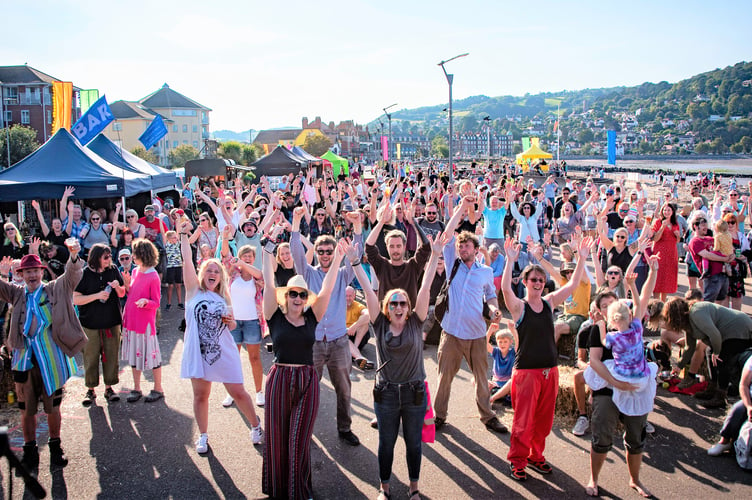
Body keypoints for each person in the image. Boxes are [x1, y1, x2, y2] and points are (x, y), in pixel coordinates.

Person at [350, 233, 441, 500]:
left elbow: (424, 287)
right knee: (386, 444)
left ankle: (414, 488)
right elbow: (368, 290)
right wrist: (356, 263)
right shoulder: (379, 323)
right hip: (387, 394)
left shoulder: (416, 320)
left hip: (414, 394)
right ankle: (385, 488)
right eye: (394, 303)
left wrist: (435, 254)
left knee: (414, 444)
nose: (399, 306)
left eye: (403, 303)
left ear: (408, 306)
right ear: (386, 306)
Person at [501, 235, 592, 481]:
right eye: (534, 279)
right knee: (523, 421)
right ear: (526, 282)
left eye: (541, 280)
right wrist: (510, 261)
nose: (538, 283)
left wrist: (582, 259)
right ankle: (518, 460)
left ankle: (535, 456)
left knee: (543, 421)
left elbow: (572, 286)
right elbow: (505, 288)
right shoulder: (519, 307)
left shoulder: (550, 303)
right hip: (526, 373)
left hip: (549, 371)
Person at [261, 239, 344, 500]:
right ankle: (277, 490)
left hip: (307, 380)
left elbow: (328, 289)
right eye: (293, 293)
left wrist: (339, 258)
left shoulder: (312, 316)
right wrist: (266, 252)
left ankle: (299, 491)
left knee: (298, 440)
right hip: (279, 378)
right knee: (276, 440)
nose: (297, 298)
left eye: (302, 294)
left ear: (307, 298)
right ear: (286, 296)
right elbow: (268, 281)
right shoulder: (274, 315)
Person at [0, 239, 87, 472]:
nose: (31, 275)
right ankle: (30, 451)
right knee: (25, 409)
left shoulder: (53, 289)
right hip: (23, 361)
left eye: (35, 271)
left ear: (41, 271)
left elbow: (72, 276)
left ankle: (55, 447)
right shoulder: (17, 294)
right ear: (21, 274)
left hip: (50, 360)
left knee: (53, 407)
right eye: (27, 271)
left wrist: (74, 255)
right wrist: (1, 273)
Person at [178, 220, 263, 454]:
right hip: (199, 351)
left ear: (221, 276)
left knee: (238, 391)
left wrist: (231, 322)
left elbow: (233, 322)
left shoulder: (224, 297)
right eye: (209, 270)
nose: (213, 273)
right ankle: (203, 436)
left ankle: (256, 426)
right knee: (201, 395)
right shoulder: (193, 291)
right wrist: (184, 235)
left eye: (217, 271)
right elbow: (187, 261)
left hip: (223, 351)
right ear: (202, 274)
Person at [585, 253, 659, 498]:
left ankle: (635, 480)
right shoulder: (597, 330)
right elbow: (593, 361)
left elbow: (644, 297)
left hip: (634, 385)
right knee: (602, 432)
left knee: (636, 435)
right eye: (603, 306)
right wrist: (617, 382)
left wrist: (653, 272)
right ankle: (594, 479)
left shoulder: (631, 324)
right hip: (610, 385)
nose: (609, 310)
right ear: (598, 310)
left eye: (611, 305)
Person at [433, 196, 507, 434]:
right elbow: (447, 232)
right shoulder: (452, 262)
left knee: (482, 379)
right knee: (444, 378)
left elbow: (491, 296)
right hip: (452, 332)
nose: (462, 248)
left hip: (477, 334)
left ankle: (487, 416)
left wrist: (495, 309)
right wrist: (463, 207)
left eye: (467, 246)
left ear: (476, 250)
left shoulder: (485, 272)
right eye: (460, 246)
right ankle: (439, 416)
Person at [290, 205, 363, 446]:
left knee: (343, 389)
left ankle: (345, 428)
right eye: (320, 250)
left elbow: (357, 255)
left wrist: (357, 227)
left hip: (339, 341)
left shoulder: (343, 274)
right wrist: (295, 222)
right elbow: (297, 254)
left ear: (334, 252)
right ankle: (303, 428)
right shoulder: (308, 273)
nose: (324, 254)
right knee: (307, 390)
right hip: (313, 343)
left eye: (328, 250)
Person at [662, 297, 752, 408]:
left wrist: (717, 352)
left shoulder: (696, 312)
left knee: (722, 359)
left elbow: (715, 335)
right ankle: (712, 388)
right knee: (710, 352)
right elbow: (689, 347)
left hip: (740, 329)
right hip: (728, 333)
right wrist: (678, 366)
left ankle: (720, 396)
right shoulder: (687, 322)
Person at [72, 243, 126, 405]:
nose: (109, 260)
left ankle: (109, 388)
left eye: (110, 256)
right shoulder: (84, 274)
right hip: (90, 322)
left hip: (112, 321)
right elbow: (75, 298)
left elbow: (123, 292)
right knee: (90, 356)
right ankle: (90, 389)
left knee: (111, 356)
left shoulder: (113, 270)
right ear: (96, 258)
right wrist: (96, 296)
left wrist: (117, 288)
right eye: (105, 257)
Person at [221, 245, 266, 408]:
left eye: (249, 256)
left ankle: (259, 392)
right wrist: (225, 238)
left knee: (254, 358)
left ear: (253, 258)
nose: (247, 258)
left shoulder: (256, 276)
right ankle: (232, 392)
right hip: (233, 322)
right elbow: (225, 256)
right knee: (233, 358)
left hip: (252, 322)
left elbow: (261, 276)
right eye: (244, 256)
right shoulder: (233, 274)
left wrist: (243, 263)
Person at [121, 239, 164, 403]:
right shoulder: (134, 272)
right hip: (131, 319)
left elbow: (156, 302)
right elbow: (131, 293)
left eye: (135, 253)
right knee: (134, 355)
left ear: (143, 255)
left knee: (152, 355)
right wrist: (126, 285)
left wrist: (146, 302)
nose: (132, 257)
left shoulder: (153, 276)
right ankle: (137, 387)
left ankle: (158, 388)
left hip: (145, 323)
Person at [707, 353, 752, 456]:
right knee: (738, 409)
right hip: (750, 399)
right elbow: (744, 385)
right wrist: (749, 406)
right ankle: (725, 441)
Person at [650, 203, 679, 301]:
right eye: (665, 210)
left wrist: (678, 235)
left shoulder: (675, 223)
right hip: (660, 251)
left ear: (672, 212)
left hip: (671, 252)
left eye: (669, 210)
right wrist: (662, 227)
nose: (666, 212)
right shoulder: (658, 222)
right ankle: (656, 301)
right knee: (658, 275)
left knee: (667, 277)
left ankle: (663, 301)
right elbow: (655, 239)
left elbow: (677, 240)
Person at [487, 322, 516, 405]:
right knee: (474, 380)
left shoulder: (513, 352)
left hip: (507, 384)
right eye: (500, 342)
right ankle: (483, 399)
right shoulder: (496, 352)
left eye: (505, 342)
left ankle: (491, 399)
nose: (502, 344)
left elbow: (518, 344)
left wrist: (513, 331)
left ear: (510, 342)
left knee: (512, 381)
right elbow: (485, 344)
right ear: (497, 342)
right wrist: (490, 331)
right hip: (495, 382)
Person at [345, 285, 373, 370]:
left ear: (354, 296)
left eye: (350, 296)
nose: (348, 298)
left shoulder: (357, 305)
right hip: (343, 338)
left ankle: (354, 350)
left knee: (365, 323)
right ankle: (358, 357)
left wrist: (354, 326)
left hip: (357, 338)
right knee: (341, 335)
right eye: (346, 296)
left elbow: (368, 315)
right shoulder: (337, 306)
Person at [163, 230, 184, 310]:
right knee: (170, 286)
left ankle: (180, 302)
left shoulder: (177, 244)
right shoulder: (167, 245)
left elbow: (178, 230)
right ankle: (169, 303)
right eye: (174, 237)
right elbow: (162, 233)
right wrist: (160, 222)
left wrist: (178, 219)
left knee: (178, 285)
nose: (176, 238)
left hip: (178, 266)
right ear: (169, 239)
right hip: (170, 267)